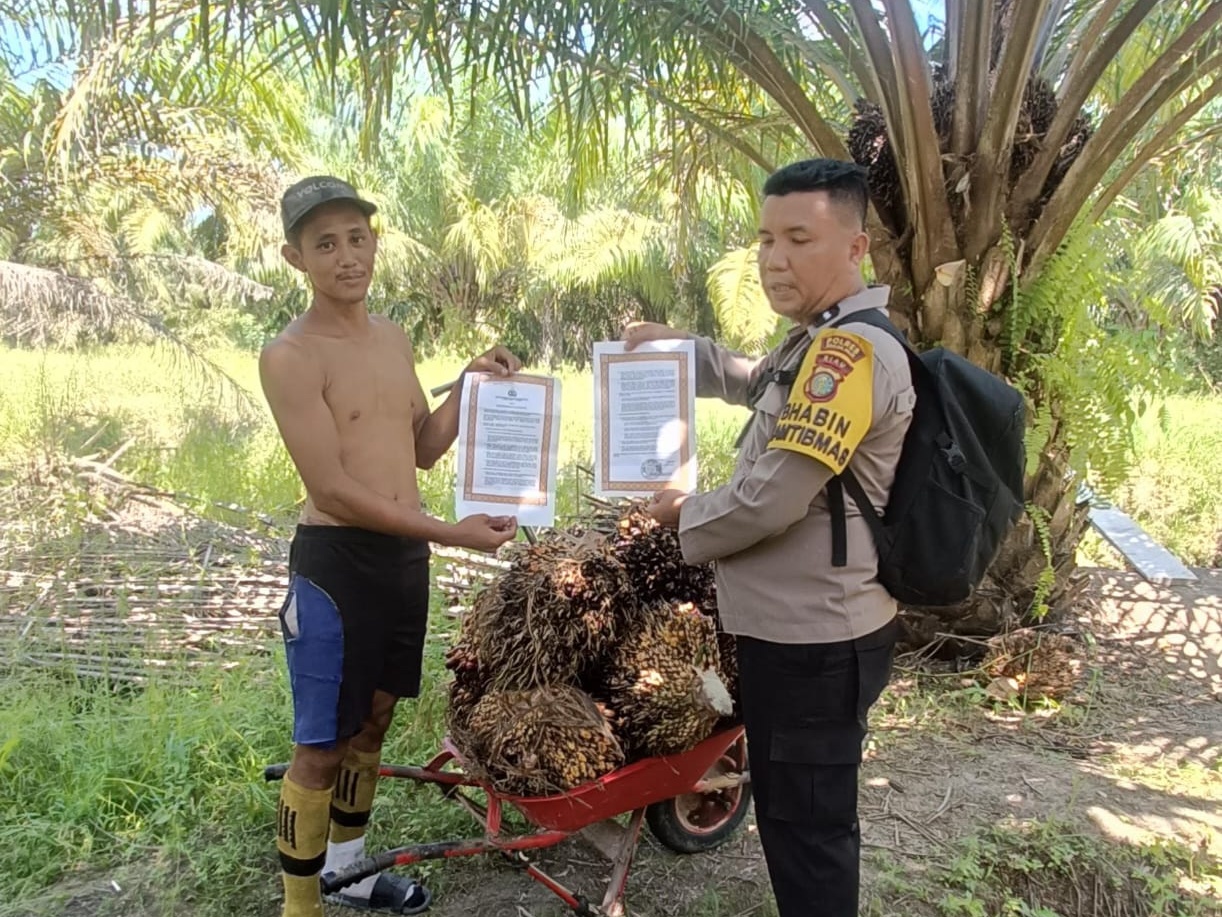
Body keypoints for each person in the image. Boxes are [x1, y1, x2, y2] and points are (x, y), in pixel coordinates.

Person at [623, 159, 913, 916]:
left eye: (798, 239)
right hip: (798, 630)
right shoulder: (819, 338)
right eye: (764, 239)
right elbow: (756, 380)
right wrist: (677, 347)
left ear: (856, 247)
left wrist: (681, 514)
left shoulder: (848, 354)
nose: (774, 260)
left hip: (816, 641)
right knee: (793, 816)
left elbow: (770, 501)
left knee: (808, 831)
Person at [260, 175, 521, 917]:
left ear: (374, 242)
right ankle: (301, 906)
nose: (347, 256)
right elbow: (334, 490)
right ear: (296, 257)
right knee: (322, 743)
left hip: (402, 561)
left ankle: (350, 874)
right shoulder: (290, 356)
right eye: (325, 244)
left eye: (357, 237)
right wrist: (452, 534)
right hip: (337, 568)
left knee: (374, 720)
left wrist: (467, 387)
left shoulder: (392, 338)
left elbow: (424, 449)